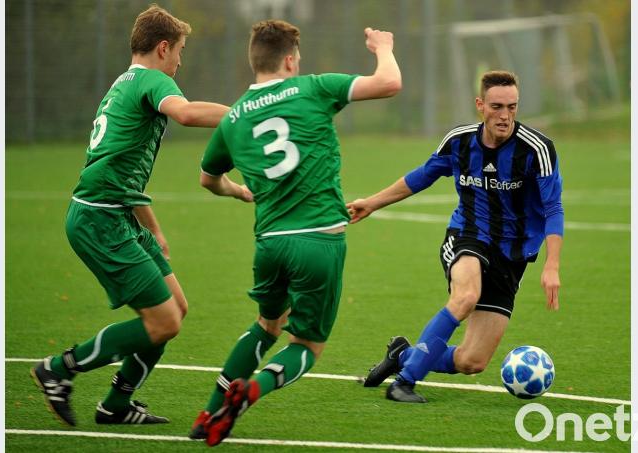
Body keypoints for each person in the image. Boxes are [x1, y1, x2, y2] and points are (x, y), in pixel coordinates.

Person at [191, 20, 401, 445]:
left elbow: (208, 179)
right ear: (290, 60)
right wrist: (383, 47)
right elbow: (389, 83)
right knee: (307, 344)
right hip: (319, 239)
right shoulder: (313, 88)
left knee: (267, 325)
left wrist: (240, 192)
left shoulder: (233, 118)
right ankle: (251, 391)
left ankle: (208, 414)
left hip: (269, 243)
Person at [30, 4, 234, 426]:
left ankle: (116, 405)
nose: (180, 61)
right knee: (161, 321)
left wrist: (153, 229)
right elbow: (188, 112)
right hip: (100, 219)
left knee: (176, 308)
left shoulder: (123, 84)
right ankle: (59, 368)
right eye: (179, 51)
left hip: (118, 213)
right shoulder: (152, 80)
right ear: (163, 48)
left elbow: (122, 165)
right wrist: (246, 114)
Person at [349, 70, 563, 403]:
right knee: (465, 297)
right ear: (480, 105)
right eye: (496, 106)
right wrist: (372, 203)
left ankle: (404, 355)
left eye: (512, 106)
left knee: (471, 361)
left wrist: (552, 265)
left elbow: (553, 209)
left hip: (513, 257)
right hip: (468, 235)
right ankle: (404, 383)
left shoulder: (537, 149)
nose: (505, 115)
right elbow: (421, 177)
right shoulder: (459, 141)